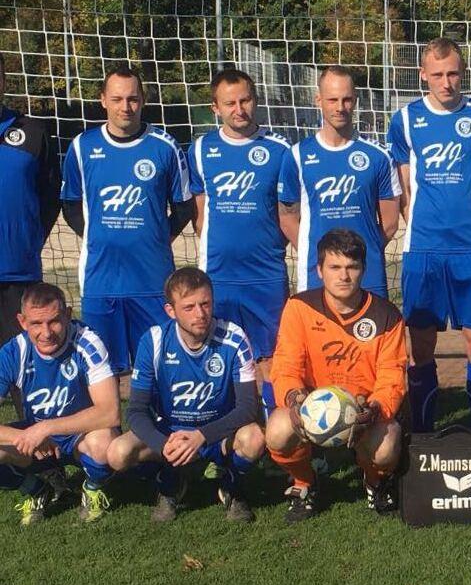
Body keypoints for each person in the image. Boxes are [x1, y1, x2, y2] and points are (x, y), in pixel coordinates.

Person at [388, 38, 471, 433]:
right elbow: (402, 188)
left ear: (463, 72)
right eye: (437, 74)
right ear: (423, 75)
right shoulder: (404, 120)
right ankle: (422, 432)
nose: (446, 82)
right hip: (423, 249)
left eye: (453, 73)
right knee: (419, 346)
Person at [60, 64, 195, 377]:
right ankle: (108, 428)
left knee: (159, 370)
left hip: (152, 281)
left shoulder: (165, 146)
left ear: (143, 100)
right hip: (100, 281)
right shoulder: (83, 146)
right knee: (103, 374)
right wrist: (100, 234)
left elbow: (184, 208)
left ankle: (156, 427)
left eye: (132, 99)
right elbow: (69, 206)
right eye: (118, 99)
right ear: (103, 100)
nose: (126, 107)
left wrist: (157, 237)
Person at [265, 229, 407, 523]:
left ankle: (374, 482)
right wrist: (294, 399)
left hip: (364, 412)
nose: (344, 276)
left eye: (352, 267)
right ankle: (305, 483)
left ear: (363, 270)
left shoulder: (387, 316)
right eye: (335, 267)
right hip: (311, 409)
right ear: (319, 271)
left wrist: (376, 409)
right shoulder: (299, 308)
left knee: (388, 443)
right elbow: (285, 367)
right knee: (277, 430)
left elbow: (392, 377)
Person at [106, 267, 264, 522]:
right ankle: (170, 479)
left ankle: (231, 484)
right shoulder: (154, 341)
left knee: (254, 437)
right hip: (172, 434)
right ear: (171, 311)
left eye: (205, 304)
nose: (200, 314)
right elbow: (135, 411)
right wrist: (163, 444)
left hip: (218, 433)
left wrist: (202, 436)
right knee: (117, 453)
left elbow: (248, 407)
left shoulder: (234, 338)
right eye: (189, 307)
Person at [187, 68, 292, 414]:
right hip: (218, 276)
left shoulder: (279, 150)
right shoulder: (201, 149)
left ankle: (279, 433)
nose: (239, 109)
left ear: (255, 100)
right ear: (215, 108)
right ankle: (224, 433)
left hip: (266, 275)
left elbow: (289, 212)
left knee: (272, 358)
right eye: (230, 103)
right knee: (217, 356)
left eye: (245, 100)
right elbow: (200, 215)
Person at [0, 283, 119, 524]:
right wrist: (22, 437)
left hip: (81, 435)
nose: (46, 332)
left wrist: (46, 428)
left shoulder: (87, 342)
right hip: (37, 442)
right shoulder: (13, 353)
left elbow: (110, 413)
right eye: (36, 324)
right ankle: (34, 489)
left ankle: (93, 488)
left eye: (54, 321)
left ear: (67, 314)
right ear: (22, 322)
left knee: (105, 444)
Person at [278, 66, 400, 295]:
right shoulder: (296, 155)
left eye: (346, 100)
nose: (340, 107)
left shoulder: (378, 156)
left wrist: (357, 257)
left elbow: (390, 223)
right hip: (317, 275)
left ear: (355, 100)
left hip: (367, 273)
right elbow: (287, 218)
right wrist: (322, 257)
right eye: (332, 99)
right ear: (319, 100)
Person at [0, 56, 61, 346]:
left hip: (19, 273)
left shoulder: (32, 132)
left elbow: (50, 197)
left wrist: (29, 238)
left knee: (22, 370)